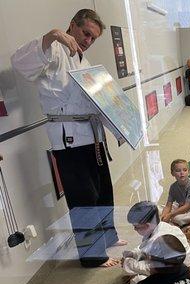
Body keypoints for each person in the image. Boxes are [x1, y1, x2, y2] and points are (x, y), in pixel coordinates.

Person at [11, 9, 126, 268]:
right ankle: (92, 255)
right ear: (72, 26)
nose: (87, 40)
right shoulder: (53, 52)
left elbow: (100, 103)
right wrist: (51, 36)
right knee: (83, 197)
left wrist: (120, 128)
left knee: (102, 190)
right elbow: (19, 63)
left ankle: (107, 236)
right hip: (68, 139)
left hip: (92, 136)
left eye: (93, 38)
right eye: (86, 33)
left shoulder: (84, 63)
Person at [122, 201, 190, 284]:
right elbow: (144, 248)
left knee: (138, 281)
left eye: (136, 226)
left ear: (147, 225)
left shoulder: (158, 240)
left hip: (176, 276)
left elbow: (153, 269)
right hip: (172, 267)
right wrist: (133, 254)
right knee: (133, 261)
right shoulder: (160, 226)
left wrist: (129, 264)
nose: (134, 229)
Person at [161, 159, 190, 226]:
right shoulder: (173, 187)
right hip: (182, 205)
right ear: (172, 173)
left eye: (185, 170)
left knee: (178, 219)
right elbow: (168, 205)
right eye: (178, 171)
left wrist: (170, 215)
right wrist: (163, 217)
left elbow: (187, 207)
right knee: (160, 210)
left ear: (189, 172)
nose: (182, 173)